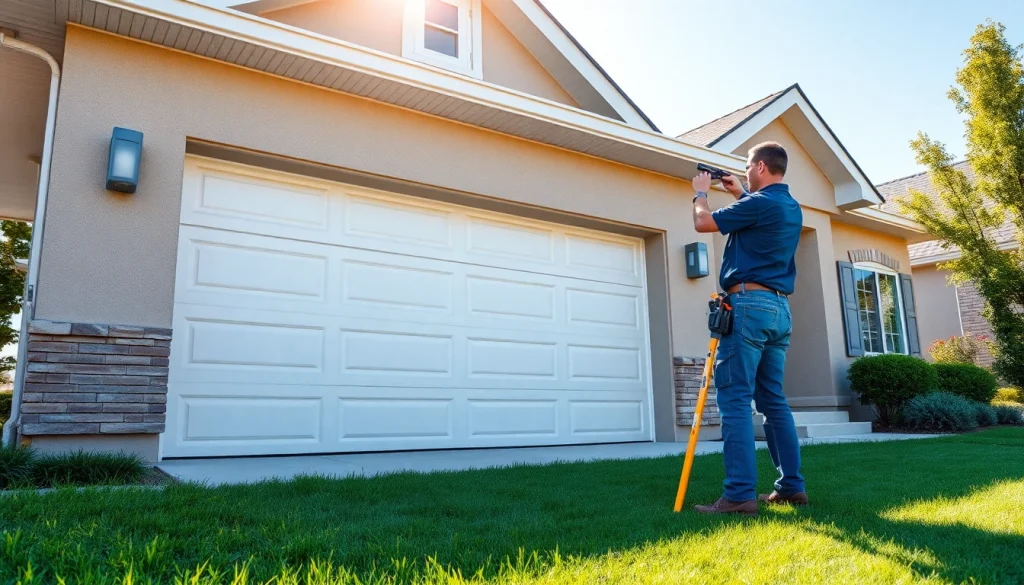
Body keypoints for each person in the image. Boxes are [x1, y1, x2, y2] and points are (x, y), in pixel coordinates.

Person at [689, 141, 807, 516]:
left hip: (748, 305)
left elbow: (703, 222)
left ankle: (739, 495)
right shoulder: (788, 206)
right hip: (778, 309)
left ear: (758, 167)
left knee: (735, 398)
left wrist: (701, 193)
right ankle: (791, 487)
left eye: (746, 168)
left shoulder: (759, 204)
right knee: (773, 400)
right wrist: (739, 193)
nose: (743, 173)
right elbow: (755, 222)